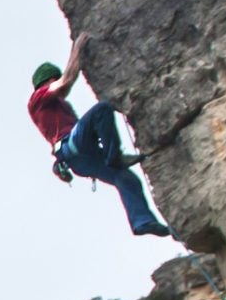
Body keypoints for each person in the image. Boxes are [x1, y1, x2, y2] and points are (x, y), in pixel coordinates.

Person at [29, 35, 174, 239]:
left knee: (125, 178)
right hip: (72, 146)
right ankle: (114, 156)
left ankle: (142, 222)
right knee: (101, 110)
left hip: (79, 158)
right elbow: (66, 81)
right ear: (47, 81)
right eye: (54, 79)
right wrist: (77, 49)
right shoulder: (38, 98)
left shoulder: (59, 107)